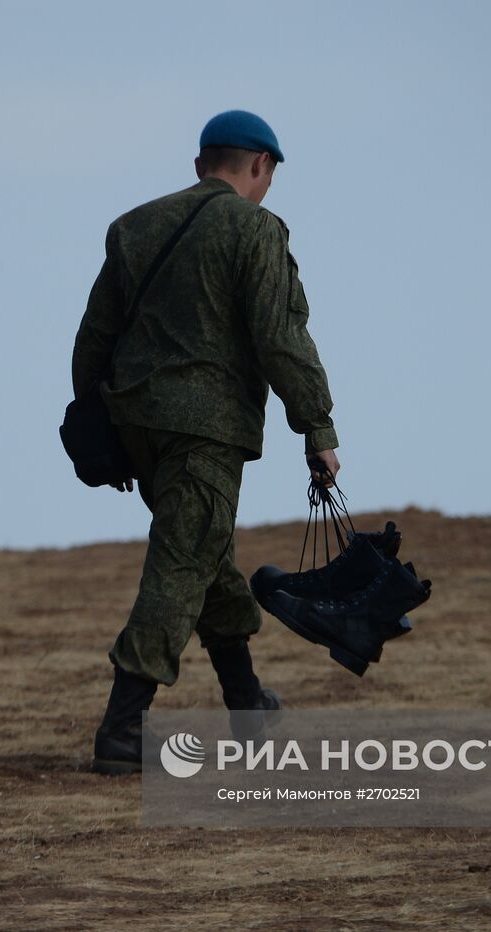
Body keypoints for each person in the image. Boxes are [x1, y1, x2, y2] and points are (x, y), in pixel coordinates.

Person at [71, 110, 341, 774]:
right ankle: (122, 730)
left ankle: (248, 705)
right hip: (206, 429)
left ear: (200, 164)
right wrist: (318, 429)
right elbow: (281, 340)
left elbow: (92, 340)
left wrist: (105, 426)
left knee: (208, 558)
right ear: (261, 167)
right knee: (182, 565)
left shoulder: (133, 226)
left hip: (137, 426)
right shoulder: (257, 230)